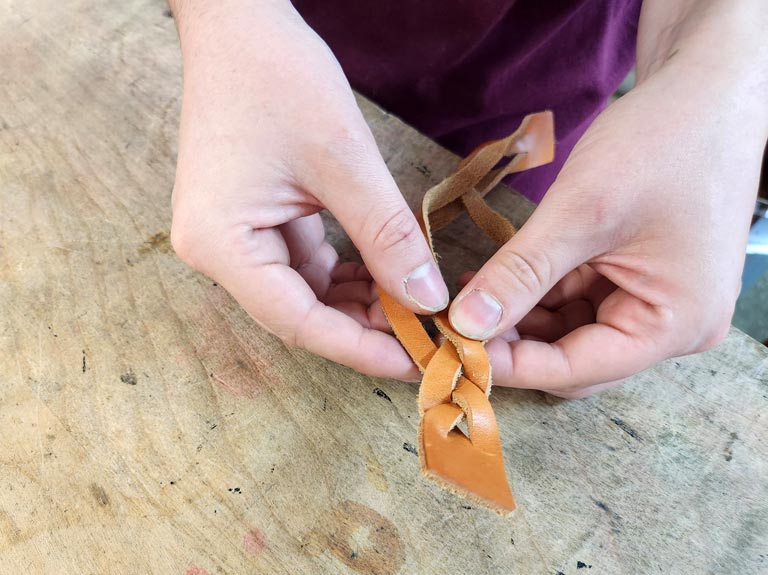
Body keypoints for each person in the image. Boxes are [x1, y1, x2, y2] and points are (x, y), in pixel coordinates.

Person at [167, 0, 768, 398]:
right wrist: (224, 16)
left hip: (534, 104)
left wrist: (725, 78)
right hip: (266, 58)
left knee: (559, 262)